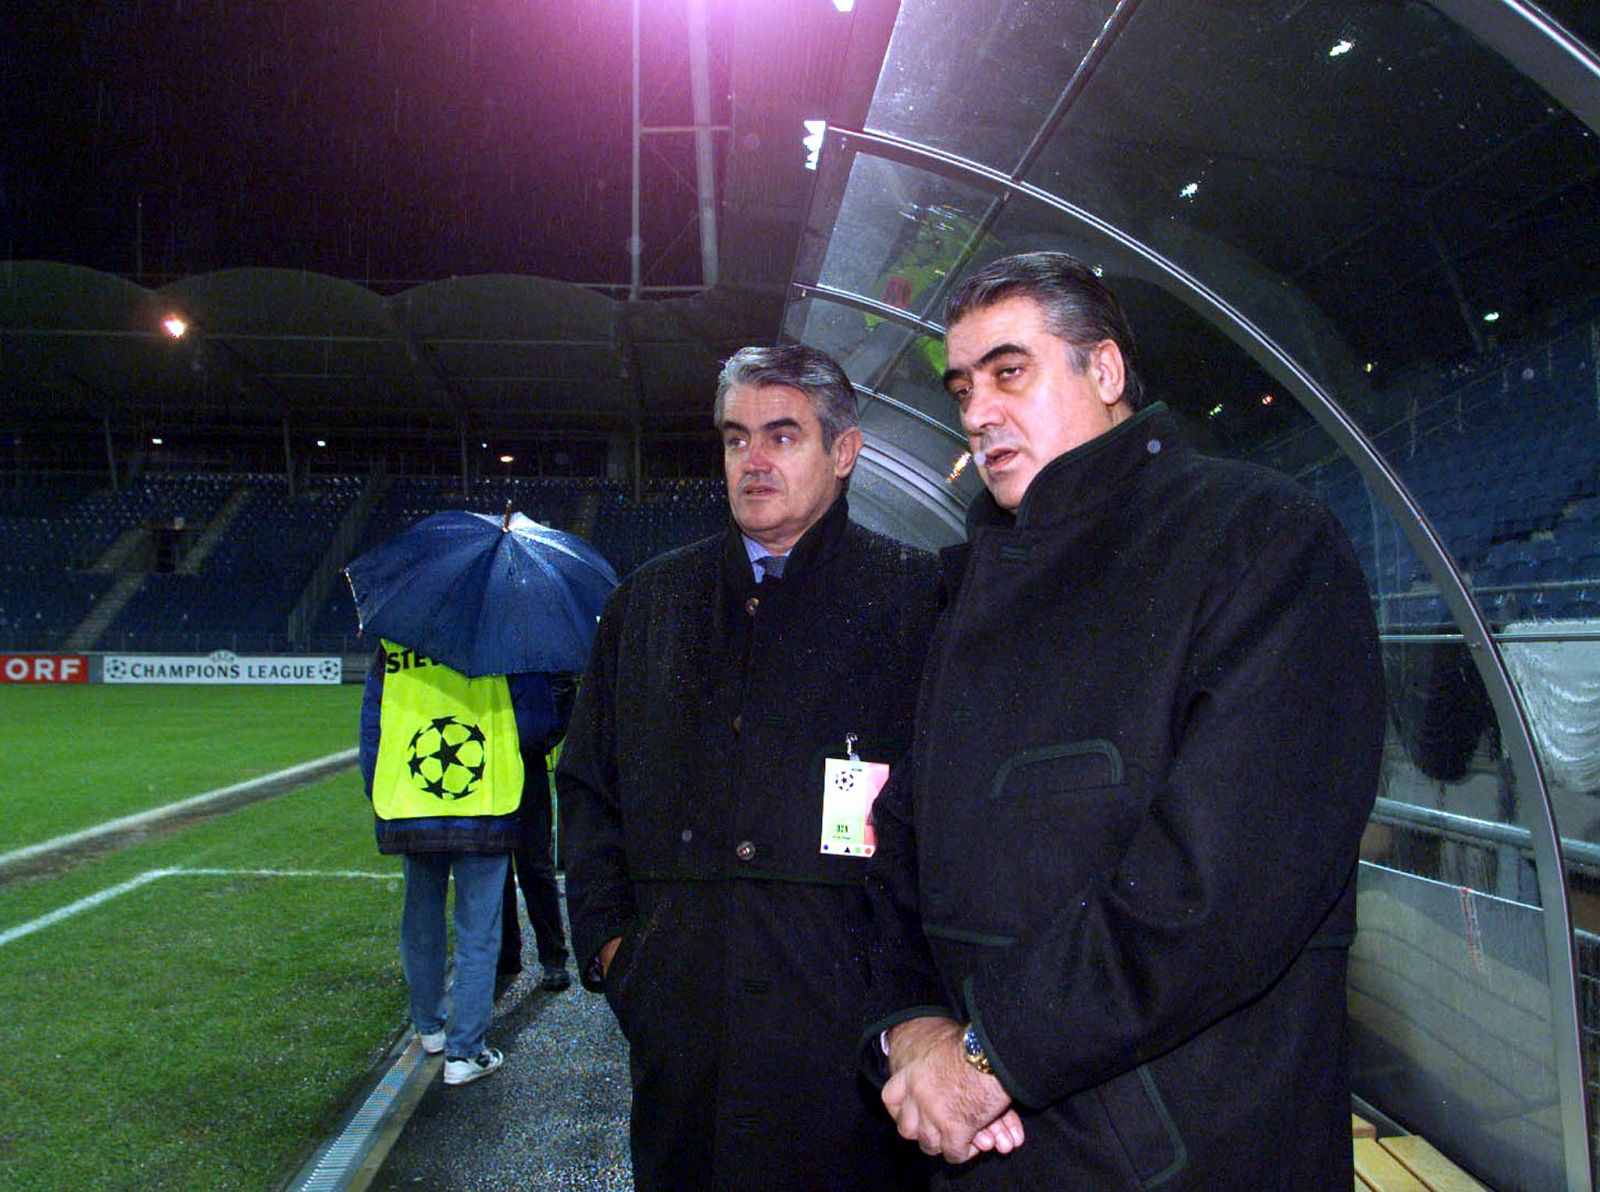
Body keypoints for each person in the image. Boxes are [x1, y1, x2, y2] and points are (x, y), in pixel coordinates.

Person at [864, 251, 1385, 1188]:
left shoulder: (1258, 539)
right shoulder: (968, 580)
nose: (977, 412)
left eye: (1009, 371)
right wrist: (911, 1029)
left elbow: (1220, 886)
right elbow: (900, 839)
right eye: (961, 387)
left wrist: (989, 1058)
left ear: (1103, 372)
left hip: (1187, 1157)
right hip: (986, 1147)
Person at [557, 343, 940, 1190]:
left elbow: (952, 823)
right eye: (736, 440)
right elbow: (588, 792)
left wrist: (911, 1001)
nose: (753, 461)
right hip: (684, 1039)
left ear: (844, 453)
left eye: (781, 436)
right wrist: (621, 954)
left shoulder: (921, 601)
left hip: (849, 1052)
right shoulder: (648, 604)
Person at [360, 639, 564, 1086]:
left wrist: (380, 789)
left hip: (412, 801)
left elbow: (372, 724)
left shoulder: (396, 641)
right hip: (485, 801)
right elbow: (536, 724)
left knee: (420, 921)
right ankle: (465, 1052)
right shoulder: (507, 638)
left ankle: (429, 1028)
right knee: (479, 931)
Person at [498, 673, 577, 993]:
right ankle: (506, 956)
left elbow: (563, 689)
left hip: (526, 768)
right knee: (495, 867)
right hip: (489, 769)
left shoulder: (535, 643)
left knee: (534, 866)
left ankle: (553, 957)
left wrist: (534, 739)